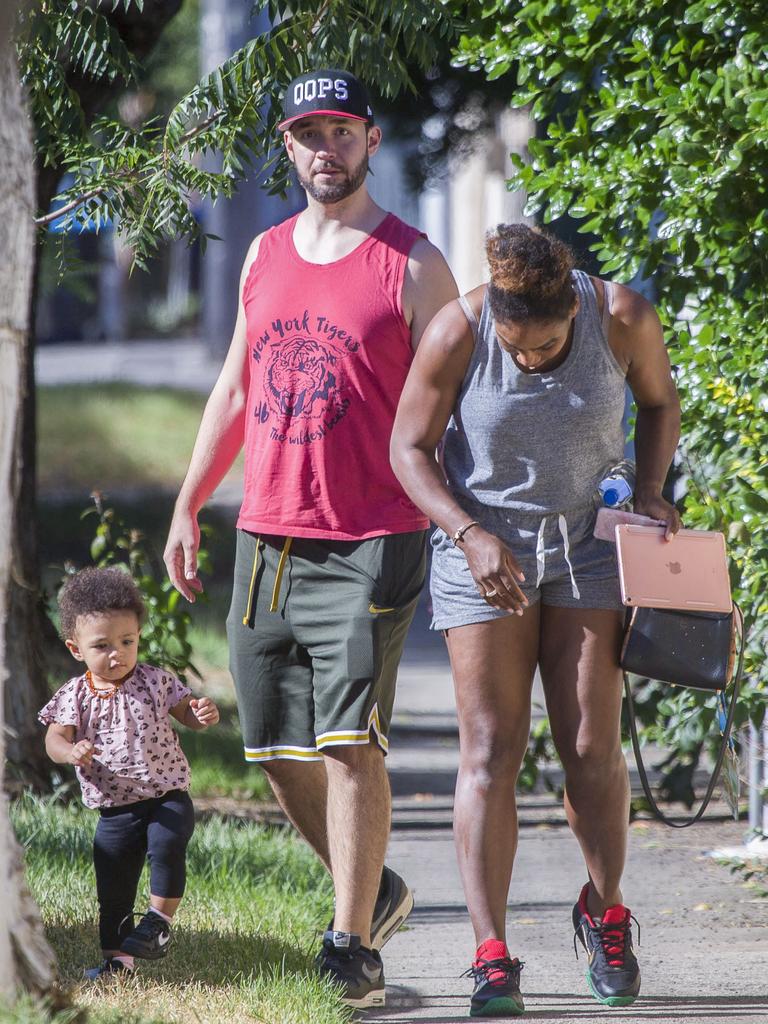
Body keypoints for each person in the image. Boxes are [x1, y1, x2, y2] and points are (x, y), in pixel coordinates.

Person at [162, 68, 457, 1009]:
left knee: (347, 741)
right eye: (305, 134)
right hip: (269, 532)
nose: (323, 149)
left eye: (340, 132)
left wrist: (468, 518)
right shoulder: (262, 254)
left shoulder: (413, 264)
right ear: (286, 147)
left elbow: (458, 405)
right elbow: (238, 391)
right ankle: (376, 892)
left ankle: (350, 942)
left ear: (371, 141)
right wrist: (186, 502)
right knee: (268, 742)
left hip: (374, 533)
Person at [390, 224, 681, 1016]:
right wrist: (467, 532)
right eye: (515, 348)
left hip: (590, 546)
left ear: (571, 312)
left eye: (545, 346)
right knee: (491, 747)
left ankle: (606, 909)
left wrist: (652, 488)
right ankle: (491, 954)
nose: (528, 358)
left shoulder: (622, 316)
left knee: (592, 745)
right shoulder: (459, 329)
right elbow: (409, 447)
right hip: (482, 551)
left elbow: (657, 402)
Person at [39, 566, 220, 980]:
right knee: (114, 888)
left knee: (169, 844)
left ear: (138, 636)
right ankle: (117, 963)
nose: (117, 653)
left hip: (166, 795)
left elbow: (186, 713)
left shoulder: (155, 681)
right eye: (101, 645)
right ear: (76, 648)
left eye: (127, 641)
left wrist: (201, 713)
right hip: (115, 808)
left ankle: (158, 921)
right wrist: (71, 750)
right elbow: (53, 740)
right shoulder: (75, 695)